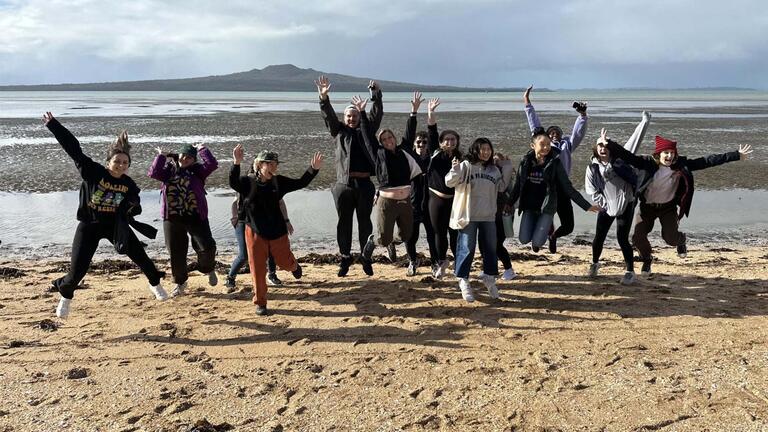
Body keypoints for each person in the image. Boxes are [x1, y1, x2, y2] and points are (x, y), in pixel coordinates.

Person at [42, 112, 167, 318]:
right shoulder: (93, 172)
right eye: (117, 161)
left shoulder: (129, 184)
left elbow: (136, 205)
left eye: (125, 163)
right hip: (89, 225)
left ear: (128, 165)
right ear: (109, 162)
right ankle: (65, 297)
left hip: (115, 226)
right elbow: (74, 149)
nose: (121, 165)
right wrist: (54, 125)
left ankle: (155, 285)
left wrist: (132, 207)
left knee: (141, 257)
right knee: (77, 272)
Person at [604, 134, 753, 276]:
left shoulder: (681, 166)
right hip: (647, 208)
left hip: (668, 208)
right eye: (666, 153)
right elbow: (626, 155)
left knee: (671, 239)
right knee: (637, 237)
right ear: (658, 154)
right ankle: (647, 259)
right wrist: (608, 143)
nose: (669, 156)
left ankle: (681, 240)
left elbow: (707, 161)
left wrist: (736, 155)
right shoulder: (646, 163)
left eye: (672, 153)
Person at [230, 145, 323, 316]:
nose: (274, 167)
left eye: (275, 164)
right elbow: (233, 182)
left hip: (277, 232)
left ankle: (294, 266)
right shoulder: (247, 182)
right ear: (260, 165)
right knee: (257, 270)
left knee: (284, 263)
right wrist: (236, 163)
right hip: (255, 232)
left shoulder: (278, 182)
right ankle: (261, 303)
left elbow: (300, 182)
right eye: (270, 164)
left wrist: (313, 169)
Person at [315, 75, 383, 277]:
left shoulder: (366, 130)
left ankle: (365, 257)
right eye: (348, 116)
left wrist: (376, 95)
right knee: (343, 223)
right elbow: (328, 117)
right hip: (343, 185)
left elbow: (377, 115)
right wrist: (324, 98)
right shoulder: (339, 131)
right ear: (344, 118)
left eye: (354, 116)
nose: (352, 119)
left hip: (364, 184)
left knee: (365, 222)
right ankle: (345, 258)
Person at [356, 92, 424, 276]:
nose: (388, 140)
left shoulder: (403, 151)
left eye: (390, 137)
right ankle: (372, 243)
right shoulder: (377, 154)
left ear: (394, 138)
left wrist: (413, 112)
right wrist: (362, 113)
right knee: (383, 239)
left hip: (406, 201)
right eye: (384, 139)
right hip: (387, 202)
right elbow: (367, 136)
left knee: (405, 236)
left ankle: (391, 243)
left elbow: (409, 133)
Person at [507, 128, 600, 252]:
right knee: (523, 239)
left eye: (548, 144)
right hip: (529, 206)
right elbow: (518, 185)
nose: (546, 147)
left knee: (538, 242)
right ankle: (542, 226)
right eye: (542, 144)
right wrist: (509, 203)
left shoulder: (555, 163)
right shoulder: (525, 162)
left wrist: (586, 206)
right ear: (533, 146)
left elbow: (568, 187)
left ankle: (545, 227)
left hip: (547, 208)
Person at [584, 112, 651, 285]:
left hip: (625, 205)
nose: (602, 147)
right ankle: (594, 264)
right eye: (599, 145)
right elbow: (591, 190)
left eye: (605, 145)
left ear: (611, 148)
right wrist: (604, 204)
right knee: (599, 237)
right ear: (595, 149)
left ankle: (630, 271)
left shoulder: (622, 160)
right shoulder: (592, 168)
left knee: (622, 239)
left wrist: (644, 121)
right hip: (606, 207)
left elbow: (635, 139)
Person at [445, 138, 514, 302]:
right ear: (475, 150)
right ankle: (463, 280)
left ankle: (489, 278)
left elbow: (502, 187)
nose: (486, 152)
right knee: (467, 248)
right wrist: (454, 169)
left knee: (490, 249)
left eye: (488, 149)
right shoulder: (466, 166)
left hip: (488, 216)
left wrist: (507, 165)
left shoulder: (493, 170)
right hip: (469, 216)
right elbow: (449, 182)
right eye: (482, 149)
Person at [523, 85, 588, 253]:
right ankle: (538, 240)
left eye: (556, 133)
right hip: (544, 189)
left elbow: (578, 134)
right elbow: (535, 127)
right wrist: (527, 103)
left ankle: (554, 237)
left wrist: (582, 115)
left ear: (561, 135)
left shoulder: (567, 146)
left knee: (569, 226)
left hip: (563, 189)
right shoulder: (545, 147)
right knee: (542, 218)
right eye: (550, 133)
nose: (553, 135)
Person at [148, 144, 218, 296]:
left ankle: (207, 268)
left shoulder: (198, 171)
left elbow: (212, 164)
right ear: (178, 155)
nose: (185, 159)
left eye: (190, 157)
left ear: (194, 160)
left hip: (195, 216)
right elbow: (153, 173)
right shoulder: (168, 171)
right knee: (176, 252)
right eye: (183, 155)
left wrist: (202, 149)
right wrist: (161, 156)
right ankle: (180, 282)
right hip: (172, 217)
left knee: (207, 246)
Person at [224, 195, 293, 293]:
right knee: (244, 255)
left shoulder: (269, 185)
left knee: (270, 249)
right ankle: (230, 277)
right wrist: (235, 217)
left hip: (263, 222)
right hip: (242, 222)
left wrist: (286, 221)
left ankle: (272, 274)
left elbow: (280, 202)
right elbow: (235, 202)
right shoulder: (244, 183)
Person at [403, 98, 441, 276]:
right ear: (414, 144)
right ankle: (412, 260)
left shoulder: (433, 158)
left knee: (432, 236)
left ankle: (435, 263)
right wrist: (413, 112)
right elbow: (408, 136)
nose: (421, 145)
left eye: (424, 142)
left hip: (431, 204)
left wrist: (431, 114)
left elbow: (433, 135)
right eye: (419, 142)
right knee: (411, 237)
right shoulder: (409, 158)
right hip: (413, 204)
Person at [425, 101, 462, 279]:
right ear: (441, 142)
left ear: (457, 142)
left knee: (454, 233)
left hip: (455, 200)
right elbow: (432, 131)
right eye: (446, 139)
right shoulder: (436, 153)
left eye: (452, 139)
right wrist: (430, 112)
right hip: (437, 199)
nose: (449, 142)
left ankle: (458, 263)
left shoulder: (461, 158)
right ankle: (441, 262)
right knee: (439, 233)